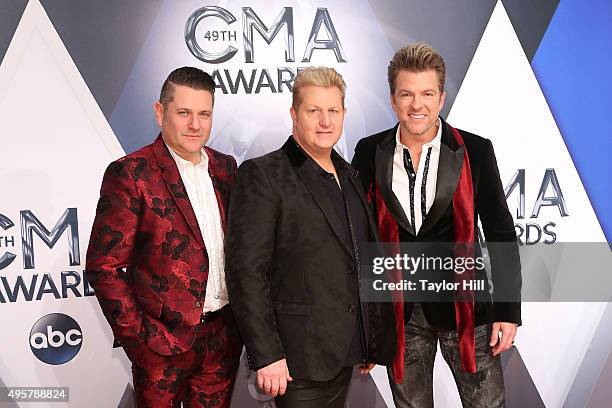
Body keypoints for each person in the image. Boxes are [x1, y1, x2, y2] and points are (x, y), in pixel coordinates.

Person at [351, 43, 521, 408]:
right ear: (393, 99)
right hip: (401, 313)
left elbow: (502, 232)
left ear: (441, 98)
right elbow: (358, 237)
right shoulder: (368, 152)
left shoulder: (474, 150)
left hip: (469, 310)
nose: (417, 105)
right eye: (407, 94)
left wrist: (508, 310)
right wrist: (364, 326)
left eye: (427, 94)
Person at [225, 67, 395, 408]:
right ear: (294, 114)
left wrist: (368, 336)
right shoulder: (263, 174)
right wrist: (266, 354)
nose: (325, 121)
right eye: (313, 111)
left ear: (344, 114)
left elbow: (357, 259)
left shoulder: (349, 175)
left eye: (333, 111)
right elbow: (246, 271)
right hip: (293, 360)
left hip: (343, 352)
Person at [86, 67, 241, 407]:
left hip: (222, 339)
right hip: (160, 345)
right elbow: (104, 267)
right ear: (160, 112)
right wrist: (141, 341)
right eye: (184, 113)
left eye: (204, 114)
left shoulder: (226, 168)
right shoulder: (131, 172)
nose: (195, 125)